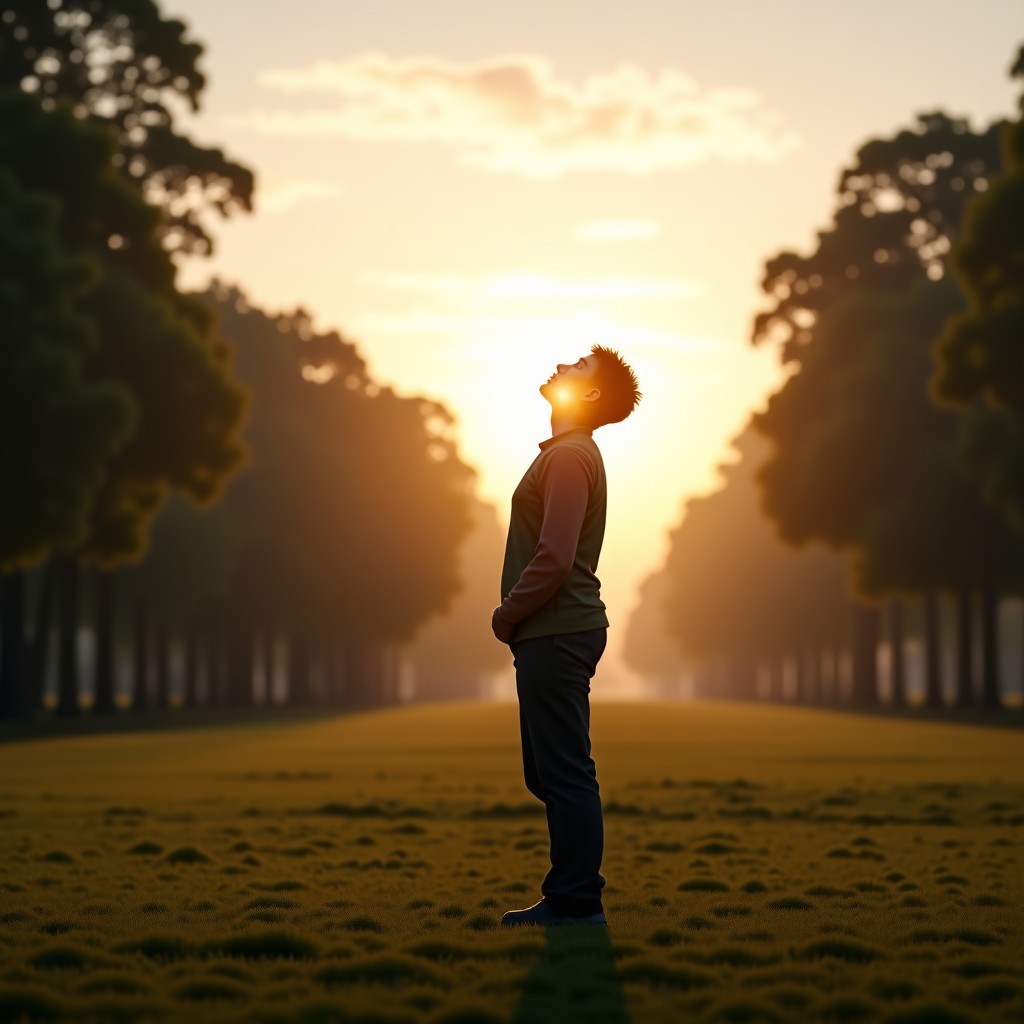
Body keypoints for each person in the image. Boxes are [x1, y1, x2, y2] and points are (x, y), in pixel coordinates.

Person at [492, 344, 641, 927]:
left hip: (556, 629)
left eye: (576, 367)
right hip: (555, 631)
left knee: (565, 772)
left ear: (592, 393)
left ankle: (576, 903)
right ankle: (570, 896)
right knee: (550, 772)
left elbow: (554, 558)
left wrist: (508, 614)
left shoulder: (570, 458)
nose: (559, 367)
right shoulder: (569, 455)